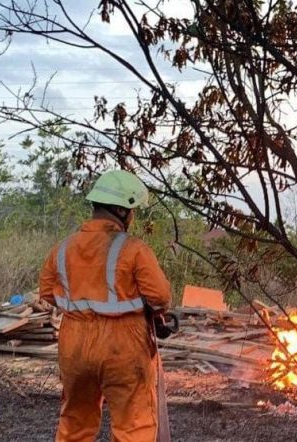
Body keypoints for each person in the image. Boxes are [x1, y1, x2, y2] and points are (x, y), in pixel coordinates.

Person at [39, 170, 171, 442]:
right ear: (122, 211)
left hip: (74, 344)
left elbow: (47, 293)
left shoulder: (62, 249)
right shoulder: (134, 249)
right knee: (133, 423)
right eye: (132, 210)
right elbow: (160, 297)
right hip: (123, 345)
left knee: (75, 422)